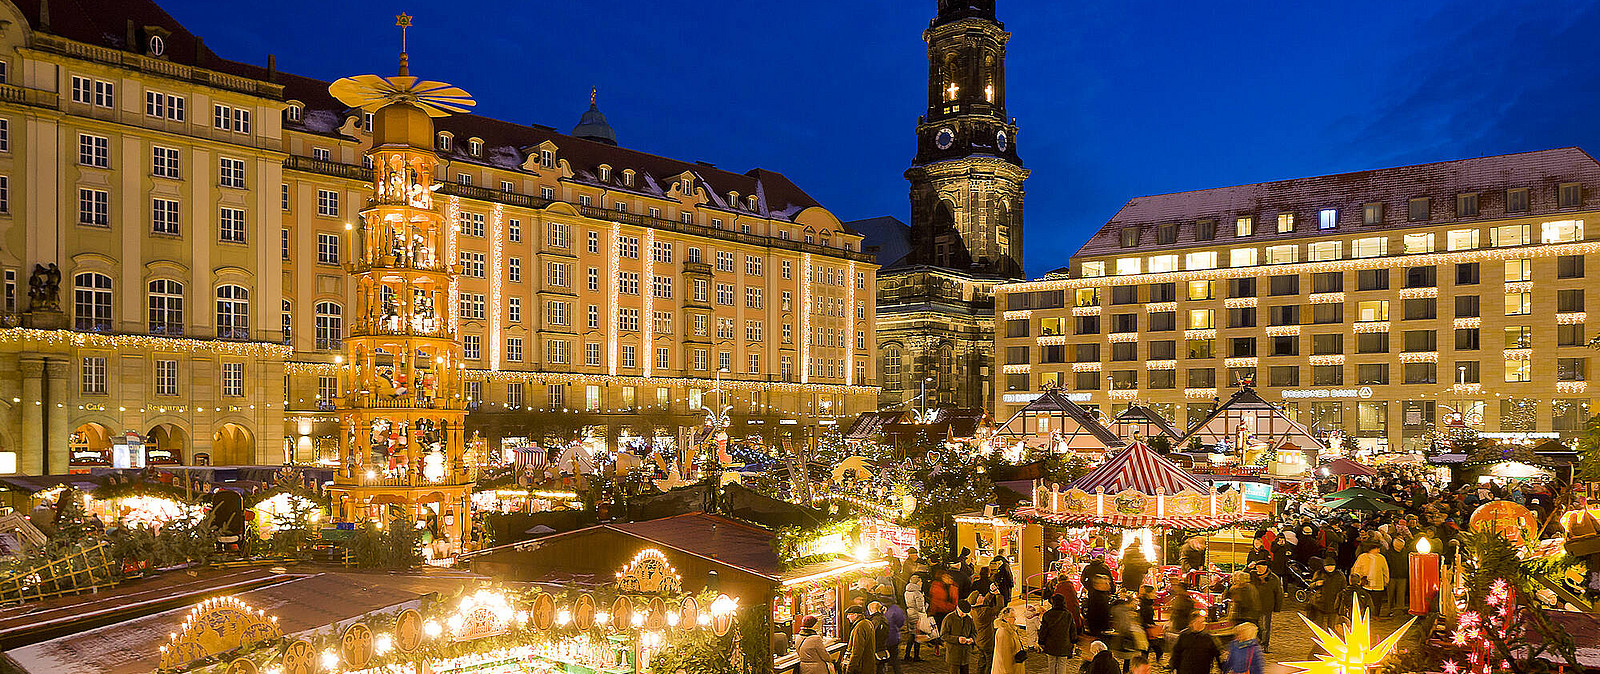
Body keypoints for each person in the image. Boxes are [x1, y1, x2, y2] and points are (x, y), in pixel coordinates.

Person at [1247, 561, 1282, 652]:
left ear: (1266, 567)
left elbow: (1278, 593)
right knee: (1256, 625)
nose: (1260, 569)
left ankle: (1264, 645)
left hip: (1267, 605)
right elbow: (1240, 576)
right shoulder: (1252, 575)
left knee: (1266, 627)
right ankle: (1258, 641)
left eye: (1262, 567)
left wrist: (1277, 607)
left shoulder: (1274, 578)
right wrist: (1248, 567)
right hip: (1254, 605)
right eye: (1258, 567)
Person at [1038, 594, 1076, 674]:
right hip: (1064, 643)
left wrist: (1041, 641)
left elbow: (1043, 630)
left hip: (1051, 643)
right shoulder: (1068, 615)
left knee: (1051, 663)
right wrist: (1073, 641)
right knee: (1062, 663)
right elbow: (1072, 629)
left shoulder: (1048, 615)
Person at [1350, 543, 1389, 615]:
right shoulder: (1363, 557)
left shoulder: (1381, 558)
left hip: (1378, 583)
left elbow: (1385, 570)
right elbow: (1357, 568)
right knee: (1365, 600)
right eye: (1377, 548)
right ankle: (1366, 614)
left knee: (1377, 601)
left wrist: (1386, 580)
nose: (1378, 550)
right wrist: (1358, 579)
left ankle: (1376, 614)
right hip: (1365, 583)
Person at [1310, 557, 1348, 630]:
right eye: (1327, 566)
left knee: (1332, 626)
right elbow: (1311, 586)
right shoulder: (1319, 573)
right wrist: (1316, 584)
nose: (1330, 568)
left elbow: (1344, 588)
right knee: (1319, 626)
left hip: (1334, 604)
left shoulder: (1339, 575)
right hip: (1320, 603)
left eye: (1332, 566)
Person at [940, 600, 976, 674]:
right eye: (962, 612)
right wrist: (957, 639)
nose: (963, 614)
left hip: (965, 654)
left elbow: (974, 632)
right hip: (953, 654)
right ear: (957, 608)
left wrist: (972, 639)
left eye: (965, 613)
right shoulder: (949, 618)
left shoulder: (969, 619)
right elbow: (943, 635)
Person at [991, 606, 1026, 674]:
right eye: (1012, 617)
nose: (1015, 619)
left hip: (1014, 666)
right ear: (1006, 618)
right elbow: (1004, 656)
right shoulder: (1004, 632)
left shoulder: (1010, 630)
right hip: (1007, 669)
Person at [970, 592, 999, 674]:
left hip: (980, 641)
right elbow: (999, 608)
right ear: (977, 601)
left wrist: (991, 593)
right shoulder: (984, 612)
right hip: (987, 641)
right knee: (989, 663)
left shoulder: (975, 610)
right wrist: (998, 595)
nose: (981, 596)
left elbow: (984, 603)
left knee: (982, 662)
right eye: (979, 596)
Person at [1382, 537, 1409, 617]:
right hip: (1392, 576)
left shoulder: (1405, 553)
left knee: (1401, 594)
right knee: (1391, 594)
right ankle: (1390, 609)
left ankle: (1400, 609)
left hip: (1402, 576)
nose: (1399, 548)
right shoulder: (1389, 553)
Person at [846, 606, 877, 674]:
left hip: (862, 665)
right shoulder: (867, 622)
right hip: (868, 663)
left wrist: (850, 668)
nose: (847, 617)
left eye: (849, 614)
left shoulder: (859, 627)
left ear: (855, 615)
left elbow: (857, 651)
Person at [1138, 584, 1163, 664]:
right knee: (1149, 646)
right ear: (1148, 593)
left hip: (1148, 627)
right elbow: (1143, 618)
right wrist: (1149, 625)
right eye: (1153, 592)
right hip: (1147, 628)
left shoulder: (1147, 603)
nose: (1155, 594)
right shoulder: (1145, 604)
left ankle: (1145, 660)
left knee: (1150, 645)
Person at [1083, 573, 1114, 637]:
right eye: (1106, 583)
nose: (1108, 586)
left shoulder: (1101, 595)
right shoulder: (1098, 597)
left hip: (1099, 629)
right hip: (1098, 630)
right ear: (1098, 585)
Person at [904, 577, 928, 661]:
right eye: (921, 581)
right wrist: (926, 606)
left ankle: (907, 654)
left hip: (910, 613)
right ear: (917, 583)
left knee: (911, 635)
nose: (922, 583)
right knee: (918, 635)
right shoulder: (917, 593)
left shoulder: (907, 592)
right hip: (917, 615)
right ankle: (916, 656)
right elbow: (920, 608)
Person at [885, 598, 907, 674]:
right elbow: (900, 622)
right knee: (894, 657)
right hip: (893, 636)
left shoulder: (875, 606)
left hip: (880, 638)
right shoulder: (896, 609)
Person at [869, 602, 892, 674]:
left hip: (877, 647)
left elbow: (873, 634)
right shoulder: (883, 618)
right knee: (881, 667)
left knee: (878, 668)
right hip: (883, 646)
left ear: (872, 609)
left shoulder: (875, 620)